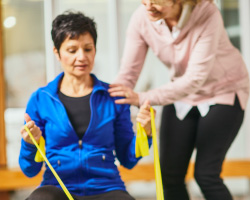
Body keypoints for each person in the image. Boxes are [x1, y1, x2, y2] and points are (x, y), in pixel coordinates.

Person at [108, 0, 249, 199]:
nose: (148, 6)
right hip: (181, 92)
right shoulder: (142, 18)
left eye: (156, 1)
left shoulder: (208, 14)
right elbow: (128, 74)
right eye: (144, 0)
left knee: (206, 174)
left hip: (223, 90)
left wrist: (141, 98)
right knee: (169, 176)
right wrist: (104, 101)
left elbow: (194, 79)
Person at [19, 11, 153, 200]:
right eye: (72, 50)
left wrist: (145, 133)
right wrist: (29, 144)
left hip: (106, 188)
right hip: (58, 187)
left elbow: (128, 159)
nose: (82, 57)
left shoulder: (114, 97)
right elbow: (29, 170)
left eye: (88, 49)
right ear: (57, 53)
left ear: (95, 50)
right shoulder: (41, 99)